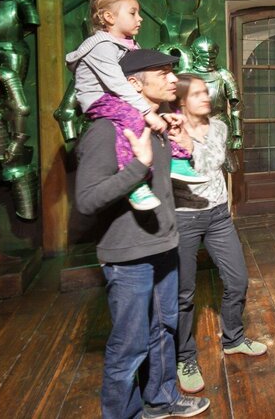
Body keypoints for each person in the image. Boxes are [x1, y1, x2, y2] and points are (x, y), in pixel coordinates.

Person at [74, 49, 210, 419]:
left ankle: (162, 400)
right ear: (133, 83)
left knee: (164, 329)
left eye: (172, 72)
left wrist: (180, 144)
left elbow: (164, 186)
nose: (173, 79)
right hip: (128, 255)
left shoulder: (157, 125)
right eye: (163, 73)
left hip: (164, 245)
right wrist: (139, 165)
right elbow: (86, 200)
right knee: (129, 345)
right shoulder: (106, 130)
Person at [168, 73, 267, 395]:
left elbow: (213, 164)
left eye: (206, 91)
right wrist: (178, 140)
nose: (206, 97)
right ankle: (184, 358)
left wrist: (189, 145)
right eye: (197, 93)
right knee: (183, 294)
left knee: (238, 280)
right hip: (183, 218)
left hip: (218, 216)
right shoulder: (167, 130)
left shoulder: (220, 127)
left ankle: (233, 339)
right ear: (181, 100)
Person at [66, 0, 202, 210]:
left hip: (119, 97)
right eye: (132, 13)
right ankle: (135, 183)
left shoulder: (130, 44)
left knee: (170, 113)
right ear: (109, 17)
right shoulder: (100, 47)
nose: (140, 18)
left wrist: (163, 113)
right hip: (101, 99)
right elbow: (118, 84)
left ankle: (177, 161)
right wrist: (147, 112)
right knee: (131, 118)